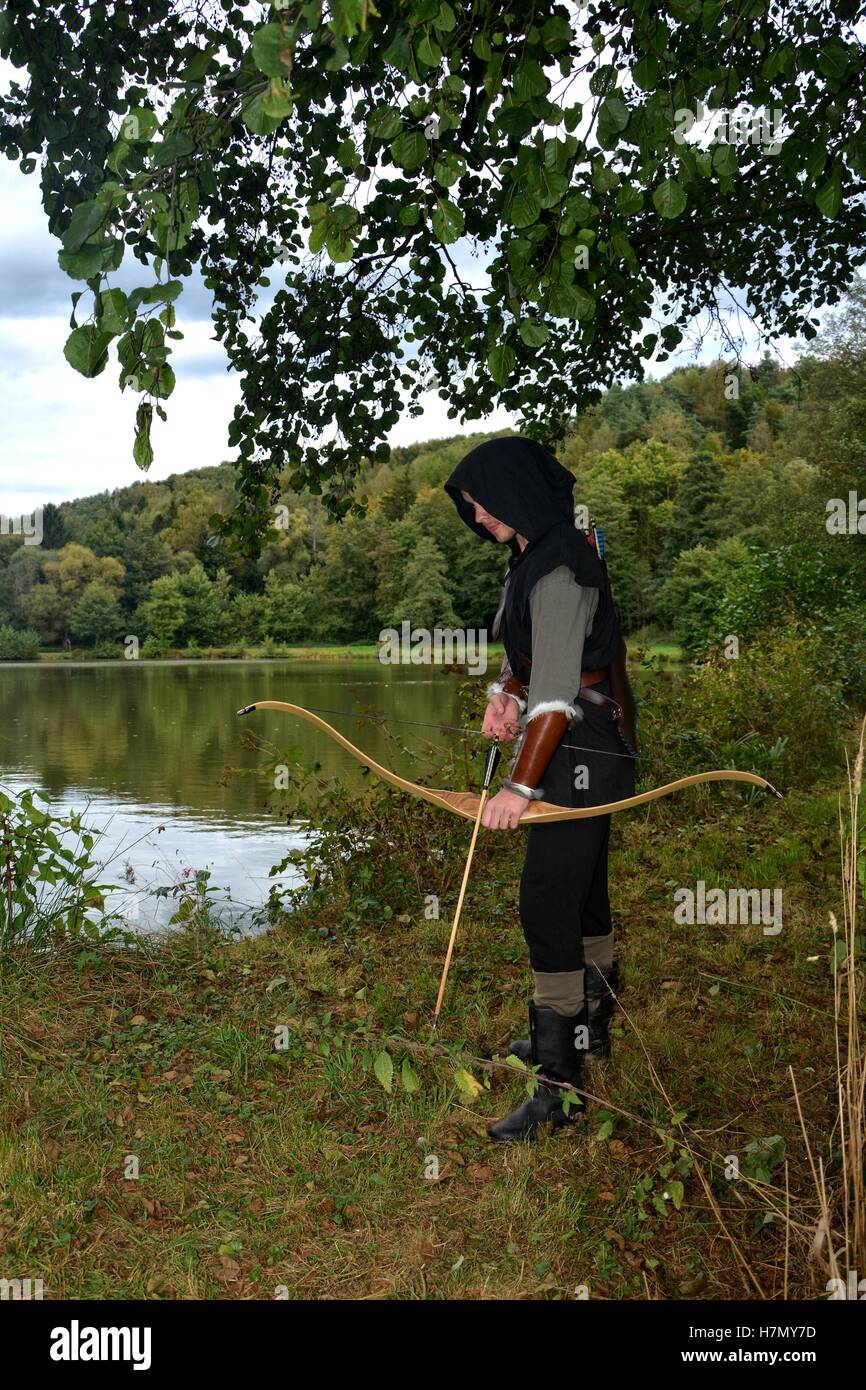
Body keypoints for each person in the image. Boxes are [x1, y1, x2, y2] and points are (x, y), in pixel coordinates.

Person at [444, 436, 638, 1142]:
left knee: (548, 899)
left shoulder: (562, 562)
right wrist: (503, 693)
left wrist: (519, 787)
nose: (473, 511)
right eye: (467, 503)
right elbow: (533, 665)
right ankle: (587, 1035)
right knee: (582, 890)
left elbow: (559, 690)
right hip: (576, 743)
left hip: (580, 750)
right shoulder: (530, 556)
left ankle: (556, 1088)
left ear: (516, 490)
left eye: (479, 497)